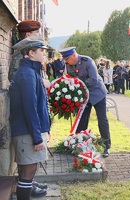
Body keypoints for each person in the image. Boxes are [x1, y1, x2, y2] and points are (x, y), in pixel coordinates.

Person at [9, 36, 50, 199]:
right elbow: (29, 107)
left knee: (30, 171)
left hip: (30, 130)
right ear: (31, 53)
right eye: (41, 51)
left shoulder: (31, 71)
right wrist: (36, 137)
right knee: (27, 172)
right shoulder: (27, 73)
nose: (44, 54)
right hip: (27, 132)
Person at [59, 47, 111, 157]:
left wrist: (77, 85)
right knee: (82, 120)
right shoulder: (69, 65)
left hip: (97, 94)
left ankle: (107, 146)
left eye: (67, 59)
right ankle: (78, 145)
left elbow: (93, 79)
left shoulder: (87, 61)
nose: (66, 62)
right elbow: (70, 78)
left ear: (73, 56)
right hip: (84, 96)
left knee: (102, 119)